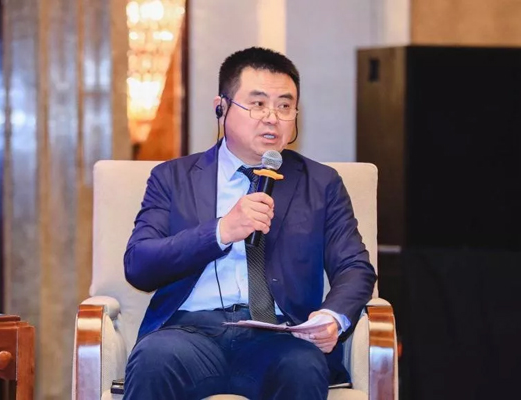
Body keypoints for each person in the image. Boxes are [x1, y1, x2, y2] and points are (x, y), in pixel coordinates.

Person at [123, 47, 376, 400]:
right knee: (153, 359)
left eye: (285, 106)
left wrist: (332, 317)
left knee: (303, 366)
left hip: (281, 337)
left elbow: (354, 267)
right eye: (258, 104)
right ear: (221, 107)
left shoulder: (321, 184)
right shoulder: (172, 177)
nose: (272, 118)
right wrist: (220, 231)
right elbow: (139, 265)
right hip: (188, 334)